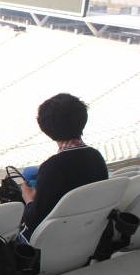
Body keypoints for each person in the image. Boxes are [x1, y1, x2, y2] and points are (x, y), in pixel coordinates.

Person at [18, 93, 108, 243]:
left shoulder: (52, 167)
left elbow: (34, 220)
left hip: (51, 243)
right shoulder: (96, 157)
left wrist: (28, 198)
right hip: (88, 237)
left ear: (45, 128)